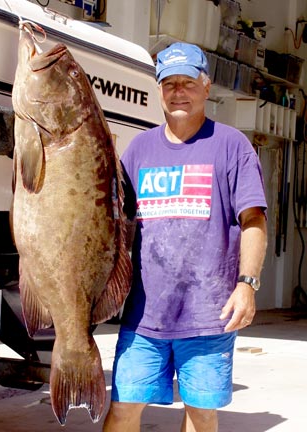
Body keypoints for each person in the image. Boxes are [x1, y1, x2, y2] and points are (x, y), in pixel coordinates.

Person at [103, 42, 268, 432]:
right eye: (170, 83)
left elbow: (253, 221)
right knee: (125, 407)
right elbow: (112, 226)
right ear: (159, 90)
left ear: (206, 87)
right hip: (145, 315)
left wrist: (247, 285)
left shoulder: (232, 146)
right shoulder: (138, 150)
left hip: (209, 314)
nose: (179, 91)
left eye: (188, 83)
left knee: (200, 413)